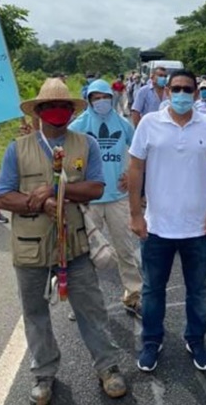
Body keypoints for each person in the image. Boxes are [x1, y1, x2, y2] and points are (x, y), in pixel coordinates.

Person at [0, 78, 127, 403]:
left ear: (70, 111)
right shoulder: (17, 148)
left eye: (63, 107)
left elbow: (95, 187)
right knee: (35, 314)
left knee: (91, 309)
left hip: (75, 246)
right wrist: (35, 203)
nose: (57, 112)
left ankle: (107, 368)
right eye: (50, 107)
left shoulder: (86, 144)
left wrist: (56, 190)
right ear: (38, 112)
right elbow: (1, 197)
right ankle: (43, 374)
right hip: (30, 248)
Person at [128, 70, 206, 373]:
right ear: (167, 91)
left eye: (188, 89)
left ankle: (196, 339)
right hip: (157, 225)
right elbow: (135, 168)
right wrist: (135, 214)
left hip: (198, 227)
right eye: (176, 89)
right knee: (152, 289)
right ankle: (151, 342)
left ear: (197, 93)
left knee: (197, 289)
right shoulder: (149, 123)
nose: (182, 94)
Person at [68, 79, 143, 317]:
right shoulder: (79, 126)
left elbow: (138, 150)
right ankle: (83, 301)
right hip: (89, 200)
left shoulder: (122, 124)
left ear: (112, 97)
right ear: (89, 100)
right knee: (85, 253)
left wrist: (130, 175)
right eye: (95, 98)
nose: (101, 102)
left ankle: (133, 295)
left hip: (117, 197)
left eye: (105, 97)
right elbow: (65, 158)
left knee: (125, 249)